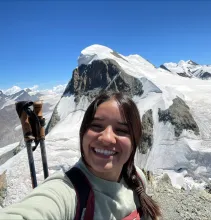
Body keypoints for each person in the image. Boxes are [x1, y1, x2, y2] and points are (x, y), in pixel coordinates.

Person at [0, 92, 161, 220]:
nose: (106, 138)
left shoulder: (138, 178)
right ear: (83, 133)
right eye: (96, 126)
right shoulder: (68, 193)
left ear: (135, 140)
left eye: (121, 130)